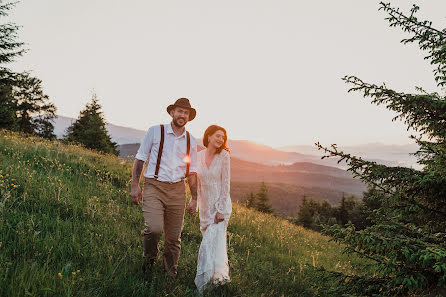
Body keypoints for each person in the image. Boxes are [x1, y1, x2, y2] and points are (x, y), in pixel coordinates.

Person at [130, 98, 199, 279]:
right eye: (179, 111)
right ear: (172, 113)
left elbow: (192, 172)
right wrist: (135, 186)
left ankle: (170, 274)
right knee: (154, 229)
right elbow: (140, 159)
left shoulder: (192, 140)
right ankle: (149, 261)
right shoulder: (155, 131)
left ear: (189, 117)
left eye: (186, 113)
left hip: (177, 190)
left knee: (173, 239)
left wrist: (195, 198)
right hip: (154, 185)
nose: (182, 115)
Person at [195, 125, 232, 292]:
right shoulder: (198, 156)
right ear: (208, 136)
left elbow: (226, 184)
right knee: (214, 245)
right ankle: (218, 279)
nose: (220, 140)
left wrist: (221, 209)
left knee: (208, 244)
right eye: (217, 136)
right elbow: (197, 183)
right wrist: (193, 202)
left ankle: (203, 285)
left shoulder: (224, 156)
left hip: (220, 207)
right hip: (205, 207)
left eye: (223, 137)